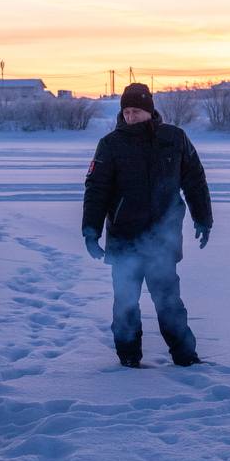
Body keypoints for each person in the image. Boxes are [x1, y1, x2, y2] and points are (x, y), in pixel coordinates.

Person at [82, 83, 212, 368]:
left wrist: (203, 218)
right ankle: (128, 357)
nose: (130, 117)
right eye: (126, 111)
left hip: (162, 242)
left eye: (136, 111)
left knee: (170, 304)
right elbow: (96, 189)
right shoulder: (111, 144)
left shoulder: (173, 138)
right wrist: (91, 231)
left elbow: (195, 181)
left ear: (149, 111)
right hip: (125, 241)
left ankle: (185, 356)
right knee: (126, 305)